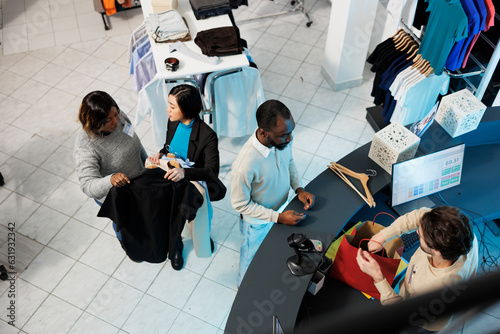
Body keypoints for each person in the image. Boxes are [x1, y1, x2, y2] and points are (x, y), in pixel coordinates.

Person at [231, 99, 315, 286]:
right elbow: (240, 204)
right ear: (263, 133)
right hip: (257, 223)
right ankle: (243, 285)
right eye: (284, 135)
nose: (290, 138)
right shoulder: (245, 165)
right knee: (250, 256)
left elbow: (289, 163)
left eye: (291, 131)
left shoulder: (282, 142)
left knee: (272, 247)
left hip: (281, 210)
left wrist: (298, 189)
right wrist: (277, 217)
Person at [356, 206, 478, 333]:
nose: (417, 232)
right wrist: (383, 236)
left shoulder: (437, 289)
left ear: (436, 251)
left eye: (421, 236)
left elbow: (401, 314)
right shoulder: (460, 234)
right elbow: (420, 216)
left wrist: (378, 277)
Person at [148, 84, 225, 270]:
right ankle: (176, 244)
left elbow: (212, 171)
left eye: (172, 106)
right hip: (171, 172)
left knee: (197, 216)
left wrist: (185, 173)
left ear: (187, 108)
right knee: (171, 214)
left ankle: (201, 241)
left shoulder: (208, 136)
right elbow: (168, 147)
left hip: (191, 179)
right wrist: (159, 155)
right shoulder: (172, 121)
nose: (168, 110)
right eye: (169, 104)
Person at [73, 91, 148, 243]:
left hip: (137, 181)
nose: (116, 121)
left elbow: (135, 142)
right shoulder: (85, 148)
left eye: (115, 114)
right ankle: (128, 244)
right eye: (108, 120)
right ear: (94, 122)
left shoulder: (119, 118)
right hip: (116, 195)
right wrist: (111, 180)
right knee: (126, 224)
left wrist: (147, 165)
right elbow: (87, 186)